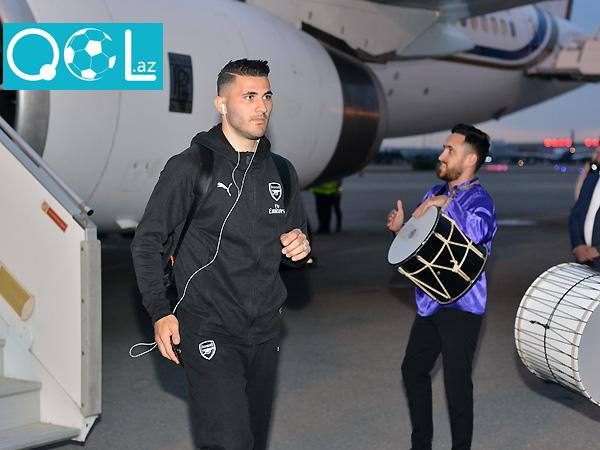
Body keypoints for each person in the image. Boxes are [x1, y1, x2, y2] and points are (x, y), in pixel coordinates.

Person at [131, 59, 310, 450]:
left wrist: (300, 247)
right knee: (231, 442)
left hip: (265, 331)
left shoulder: (282, 172)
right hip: (207, 328)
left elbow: (294, 244)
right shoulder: (190, 167)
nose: (262, 107)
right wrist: (160, 311)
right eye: (249, 97)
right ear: (222, 104)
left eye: (267, 96)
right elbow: (147, 242)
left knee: (253, 440)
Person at [386, 124, 497, 450]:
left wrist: (446, 204)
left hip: (463, 306)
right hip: (430, 303)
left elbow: (480, 230)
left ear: (471, 159)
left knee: (456, 386)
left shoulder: (479, 199)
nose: (441, 155)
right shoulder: (434, 191)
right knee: (413, 370)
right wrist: (400, 231)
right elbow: (419, 242)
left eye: (450, 150)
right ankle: (421, 444)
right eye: (444, 148)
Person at [570, 145, 600, 269]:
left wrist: (598, 250)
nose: (597, 150)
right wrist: (578, 245)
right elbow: (575, 214)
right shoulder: (591, 178)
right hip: (586, 263)